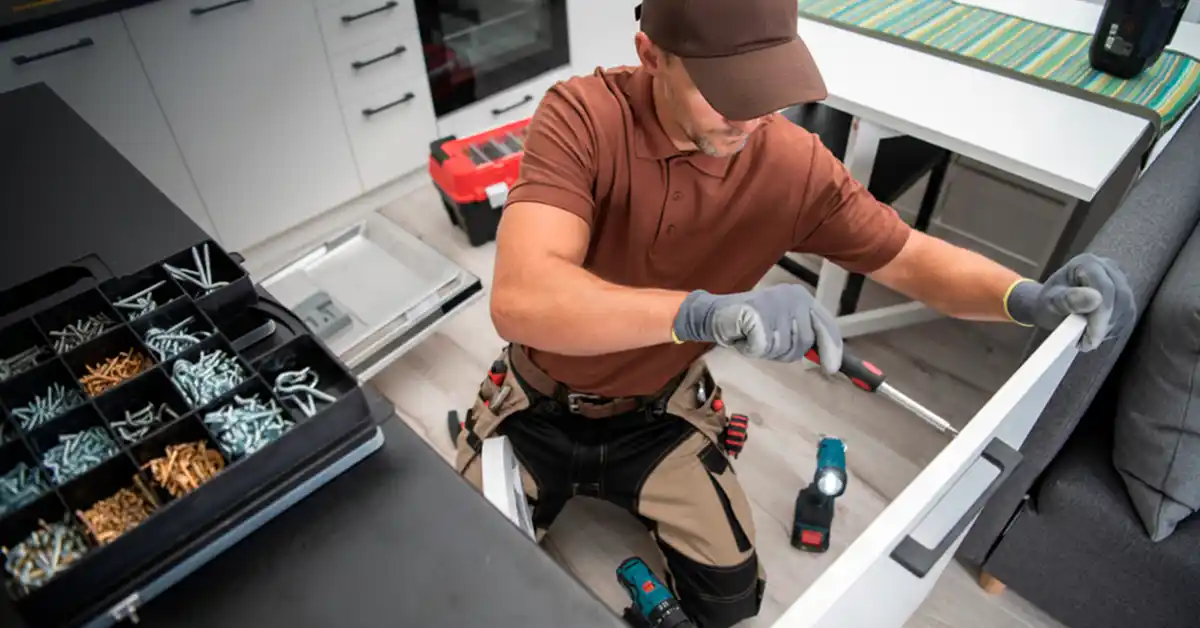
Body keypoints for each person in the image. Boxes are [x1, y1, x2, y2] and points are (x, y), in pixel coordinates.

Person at [452, 0, 1135, 625]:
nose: (747, 119)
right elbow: (523, 298)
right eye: (724, 93)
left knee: (729, 599)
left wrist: (1022, 298)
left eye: (763, 89)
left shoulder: (791, 164)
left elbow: (909, 258)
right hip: (540, 402)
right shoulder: (581, 117)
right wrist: (698, 314)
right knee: (465, 574)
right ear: (650, 54)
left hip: (655, 413)